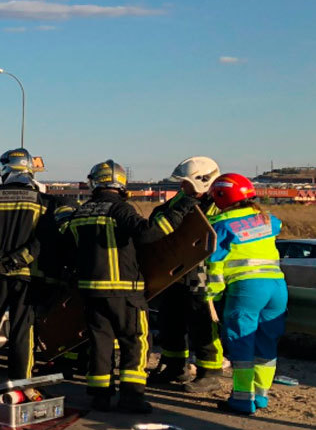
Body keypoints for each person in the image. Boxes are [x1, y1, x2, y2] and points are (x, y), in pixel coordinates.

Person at [63, 160, 197, 413]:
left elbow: (70, 251)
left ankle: (100, 396)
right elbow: (149, 233)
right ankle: (132, 397)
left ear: (95, 182)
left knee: (100, 343)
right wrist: (183, 207)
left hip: (90, 290)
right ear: (121, 182)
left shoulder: (80, 212)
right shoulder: (119, 209)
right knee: (134, 341)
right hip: (123, 290)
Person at [0, 148, 62, 387]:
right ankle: (19, 386)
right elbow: (45, 237)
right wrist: (21, 258)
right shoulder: (43, 201)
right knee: (21, 333)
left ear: (5, 169)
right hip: (26, 276)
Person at [205, 173, 287, 416]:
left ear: (220, 196)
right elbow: (276, 228)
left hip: (247, 289)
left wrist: (213, 295)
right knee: (266, 343)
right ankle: (261, 396)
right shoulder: (268, 219)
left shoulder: (220, 225)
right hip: (277, 287)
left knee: (241, 342)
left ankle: (242, 400)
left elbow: (215, 266)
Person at [148, 157, 226, 391]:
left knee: (202, 323)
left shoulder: (219, 203)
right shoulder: (182, 200)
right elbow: (160, 218)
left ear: (203, 181)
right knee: (170, 319)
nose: (182, 188)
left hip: (204, 273)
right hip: (176, 269)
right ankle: (174, 366)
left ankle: (209, 372)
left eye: (187, 183)